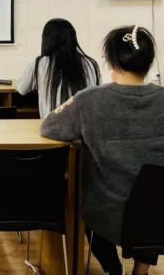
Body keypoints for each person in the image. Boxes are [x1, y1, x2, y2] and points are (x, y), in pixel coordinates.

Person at [41, 26, 164, 275]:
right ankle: (140, 270)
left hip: (107, 213)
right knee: (153, 192)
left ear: (110, 61)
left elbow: (49, 127)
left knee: (83, 203)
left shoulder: (89, 99)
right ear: (149, 61)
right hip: (157, 215)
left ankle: (112, 269)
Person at [17, 18, 100, 118]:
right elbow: (97, 93)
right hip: (85, 125)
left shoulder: (40, 63)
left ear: (47, 40)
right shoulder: (91, 63)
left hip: (52, 126)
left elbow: (21, 89)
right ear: (73, 39)